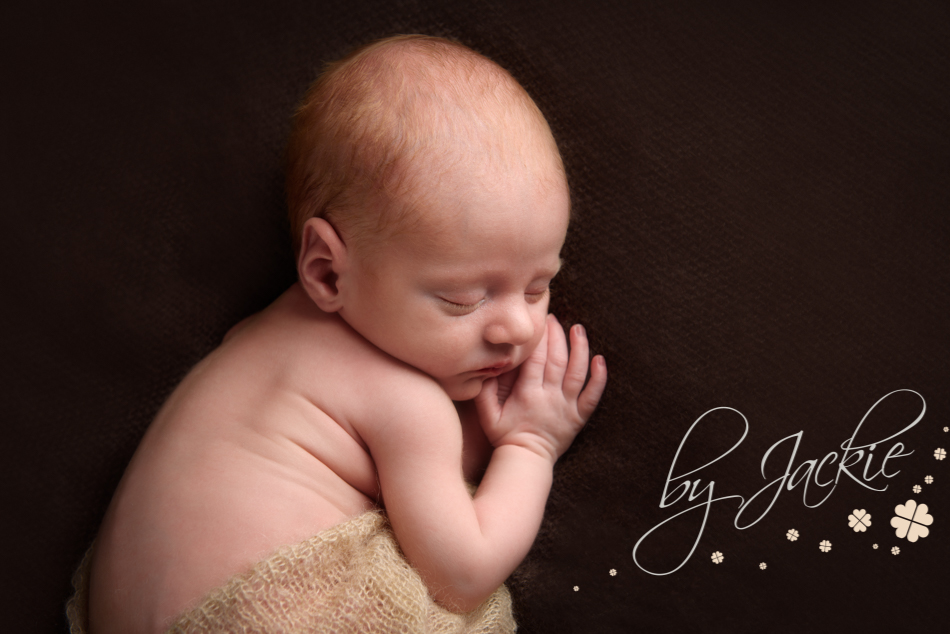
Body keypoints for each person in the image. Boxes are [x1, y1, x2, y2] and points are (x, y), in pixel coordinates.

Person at [76, 34, 607, 634]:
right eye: (462, 299)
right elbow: (462, 574)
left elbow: (391, 470)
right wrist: (530, 445)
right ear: (328, 270)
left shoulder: (264, 331)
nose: (518, 327)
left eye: (539, 287)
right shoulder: (407, 405)